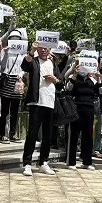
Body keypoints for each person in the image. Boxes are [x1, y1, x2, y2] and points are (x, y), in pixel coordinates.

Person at [21, 40, 61, 176]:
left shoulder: (53, 63)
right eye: (41, 48)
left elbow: (60, 82)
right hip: (36, 102)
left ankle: (43, 161)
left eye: (46, 48)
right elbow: (25, 65)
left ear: (50, 49)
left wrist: (54, 79)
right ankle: (27, 163)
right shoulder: (34, 61)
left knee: (48, 134)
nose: (43, 50)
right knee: (32, 133)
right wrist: (31, 50)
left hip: (50, 102)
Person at [64, 61, 102, 169]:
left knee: (88, 136)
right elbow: (68, 88)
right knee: (74, 136)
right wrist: (75, 74)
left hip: (89, 109)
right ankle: (71, 162)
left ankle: (87, 162)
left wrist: (98, 78)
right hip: (76, 109)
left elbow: (100, 92)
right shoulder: (74, 77)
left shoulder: (93, 79)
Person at [0, 29, 25, 142]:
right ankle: (3, 133)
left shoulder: (22, 53)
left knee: (15, 110)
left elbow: (25, 67)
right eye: (12, 39)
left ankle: (13, 133)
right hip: (6, 79)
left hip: (17, 80)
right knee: (4, 109)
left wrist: (21, 74)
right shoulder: (5, 51)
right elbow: (1, 66)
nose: (15, 41)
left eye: (17, 39)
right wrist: (6, 53)